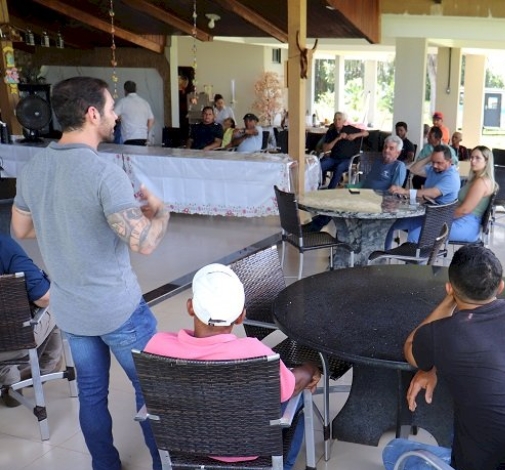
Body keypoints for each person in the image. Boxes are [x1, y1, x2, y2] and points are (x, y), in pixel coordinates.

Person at [11, 76, 170, 470]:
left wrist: (61, 219)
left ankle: (104, 465)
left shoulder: (33, 169)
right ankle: (162, 464)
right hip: (119, 310)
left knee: (93, 394)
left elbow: (20, 230)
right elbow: (144, 244)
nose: (116, 115)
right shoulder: (104, 174)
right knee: (152, 390)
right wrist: (162, 212)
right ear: (92, 113)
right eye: (112, 108)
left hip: (72, 311)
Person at [382, 246, 505, 470]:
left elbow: (410, 349)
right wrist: (435, 363)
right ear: (500, 287)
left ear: (450, 288)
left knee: (392, 451)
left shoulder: (442, 333)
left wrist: (449, 301)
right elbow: (485, 349)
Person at [144, 264, 321, 469]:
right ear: (240, 316)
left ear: (190, 307)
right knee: (297, 399)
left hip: (186, 448)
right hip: (247, 450)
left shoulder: (157, 347)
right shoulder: (255, 354)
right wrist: (309, 369)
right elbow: (291, 386)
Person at [0, 235, 62, 408]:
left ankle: (10, 380)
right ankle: (45, 368)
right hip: (12, 343)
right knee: (55, 300)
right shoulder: (4, 246)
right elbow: (43, 298)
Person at [392, 146, 494, 245]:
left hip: (466, 225)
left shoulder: (481, 182)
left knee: (417, 235)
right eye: (471, 157)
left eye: (477, 158)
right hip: (458, 218)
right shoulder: (475, 179)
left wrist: (439, 217)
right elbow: (414, 169)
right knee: (407, 223)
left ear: (486, 161)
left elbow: (464, 210)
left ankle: (418, 261)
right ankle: (387, 256)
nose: (472, 161)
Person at [303, 135, 408, 232]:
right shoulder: (378, 162)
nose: (386, 150)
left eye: (391, 148)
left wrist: (377, 196)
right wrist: (350, 187)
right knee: (336, 197)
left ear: (398, 153)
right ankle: (318, 224)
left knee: (341, 203)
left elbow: (395, 190)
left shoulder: (399, 166)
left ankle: (316, 226)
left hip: (378, 200)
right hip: (363, 194)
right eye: (385, 147)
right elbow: (366, 182)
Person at [385, 146, 461, 248]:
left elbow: (433, 193)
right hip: (425, 214)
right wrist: (430, 157)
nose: (435, 165)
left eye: (439, 162)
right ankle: (384, 256)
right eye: (433, 162)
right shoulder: (435, 169)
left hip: (438, 220)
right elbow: (413, 169)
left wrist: (405, 191)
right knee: (390, 225)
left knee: (414, 237)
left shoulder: (451, 177)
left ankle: (416, 263)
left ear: (449, 161)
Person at [320, 111, 369, 189]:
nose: (337, 121)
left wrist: (355, 135)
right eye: (335, 119)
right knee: (319, 166)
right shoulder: (331, 132)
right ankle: (315, 186)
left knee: (339, 167)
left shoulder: (350, 129)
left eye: (339, 119)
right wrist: (337, 138)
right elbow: (325, 148)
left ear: (343, 121)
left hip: (348, 160)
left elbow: (366, 133)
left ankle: (330, 190)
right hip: (333, 158)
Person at [113, 81, 154, 146]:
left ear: (125, 90)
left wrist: (119, 118)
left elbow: (113, 116)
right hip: (143, 138)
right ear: (136, 89)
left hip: (129, 138)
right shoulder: (144, 103)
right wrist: (146, 131)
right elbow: (151, 120)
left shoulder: (123, 102)